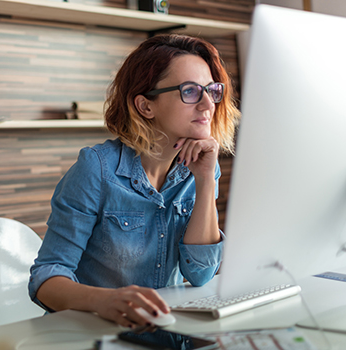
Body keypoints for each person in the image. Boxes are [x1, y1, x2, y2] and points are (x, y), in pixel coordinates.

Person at [28, 34, 240, 329]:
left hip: (160, 331)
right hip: (88, 333)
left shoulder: (201, 168)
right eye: (190, 91)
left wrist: (205, 181)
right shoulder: (97, 169)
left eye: (211, 90)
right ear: (145, 106)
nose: (207, 104)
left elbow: (201, 274)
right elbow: (46, 278)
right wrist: (104, 301)